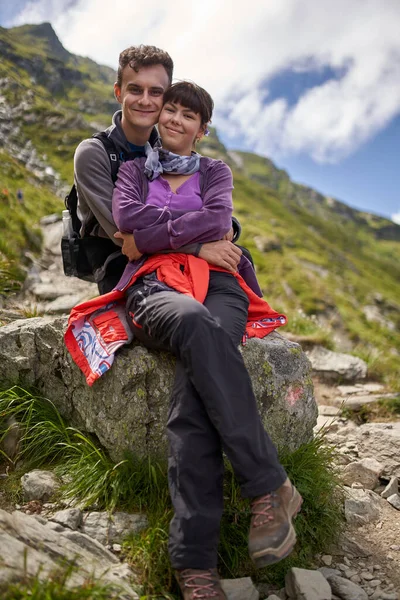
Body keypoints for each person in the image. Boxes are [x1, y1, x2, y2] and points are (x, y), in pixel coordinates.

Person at [111, 82, 302, 600]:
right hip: (154, 284)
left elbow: (220, 221)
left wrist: (156, 231)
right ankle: (269, 485)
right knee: (196, 325)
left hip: (222, 282)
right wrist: (194, 239)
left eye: (187, 114)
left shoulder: (216, 172)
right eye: (168, 109)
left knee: (192, 396)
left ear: (203, 128)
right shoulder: (132, 171)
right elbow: (128, 224)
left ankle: (193, 564)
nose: (173, 118)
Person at [74, 44, 245, 294]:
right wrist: (200, 245)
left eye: (155, 92)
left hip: (177, 262)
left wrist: (226, 222)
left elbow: (198, 201)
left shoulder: (169, 146)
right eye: (135, 89)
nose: (145, 100)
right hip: (120, 265)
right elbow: (126, 237)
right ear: (118, 92)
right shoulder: (94, 153)